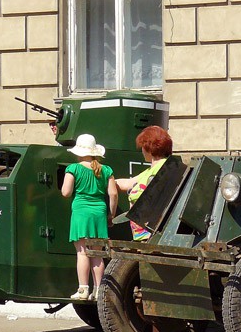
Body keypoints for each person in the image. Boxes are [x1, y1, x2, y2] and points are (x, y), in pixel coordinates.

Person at [61, 133, 118, 300]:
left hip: (81, 212)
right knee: (97, 254)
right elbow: (113, 194)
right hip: (99, 212)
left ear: (78, 152)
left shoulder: (73, 169)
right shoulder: (106, 170)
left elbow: (66, 192)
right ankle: (99, 290)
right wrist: (111, 215)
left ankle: (83, 290)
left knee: (82, 253)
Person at [115, 126, 173, 241]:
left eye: (142, 146)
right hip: (143, 236)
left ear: (148, 147)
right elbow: (127, 183)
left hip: (153, 236)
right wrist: (104, 179)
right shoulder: (152, 170)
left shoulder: (164, 167)